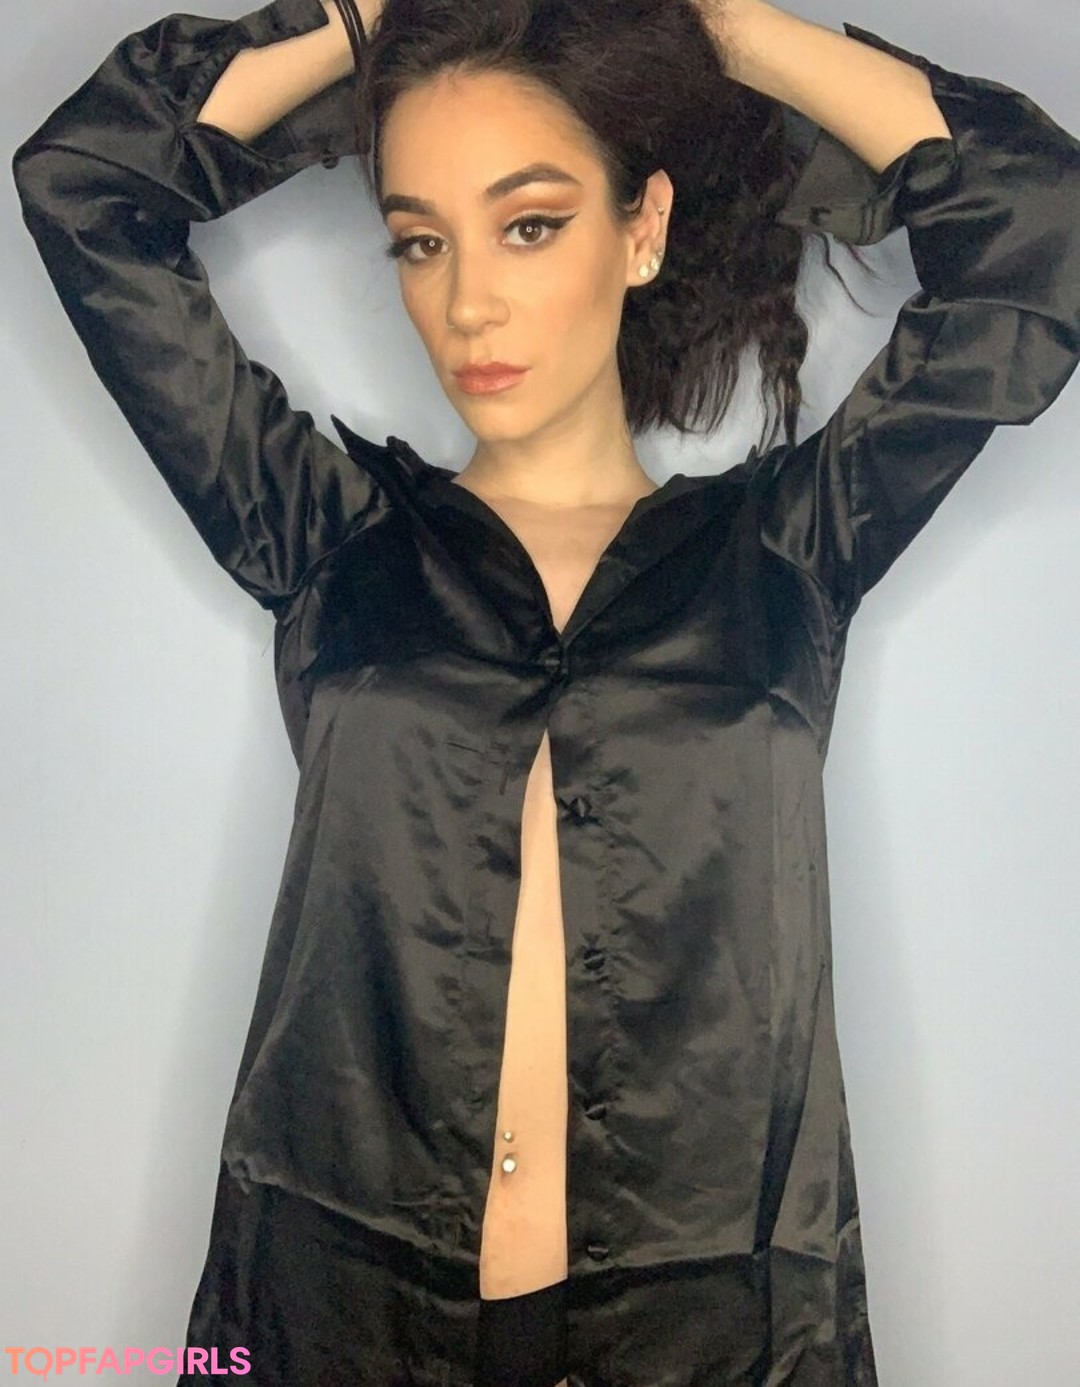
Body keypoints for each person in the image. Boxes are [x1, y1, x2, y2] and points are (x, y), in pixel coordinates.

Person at [11, 0, 1079, 1381]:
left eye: (528, 225)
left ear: (642, 228)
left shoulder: (788, 554)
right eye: (419, 240)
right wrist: (370, 21)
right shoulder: (327, 540)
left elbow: (1039, 229)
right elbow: (87, 188)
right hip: (341, 1320)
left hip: (708, 1337)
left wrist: (712, 30)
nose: (467, 303)